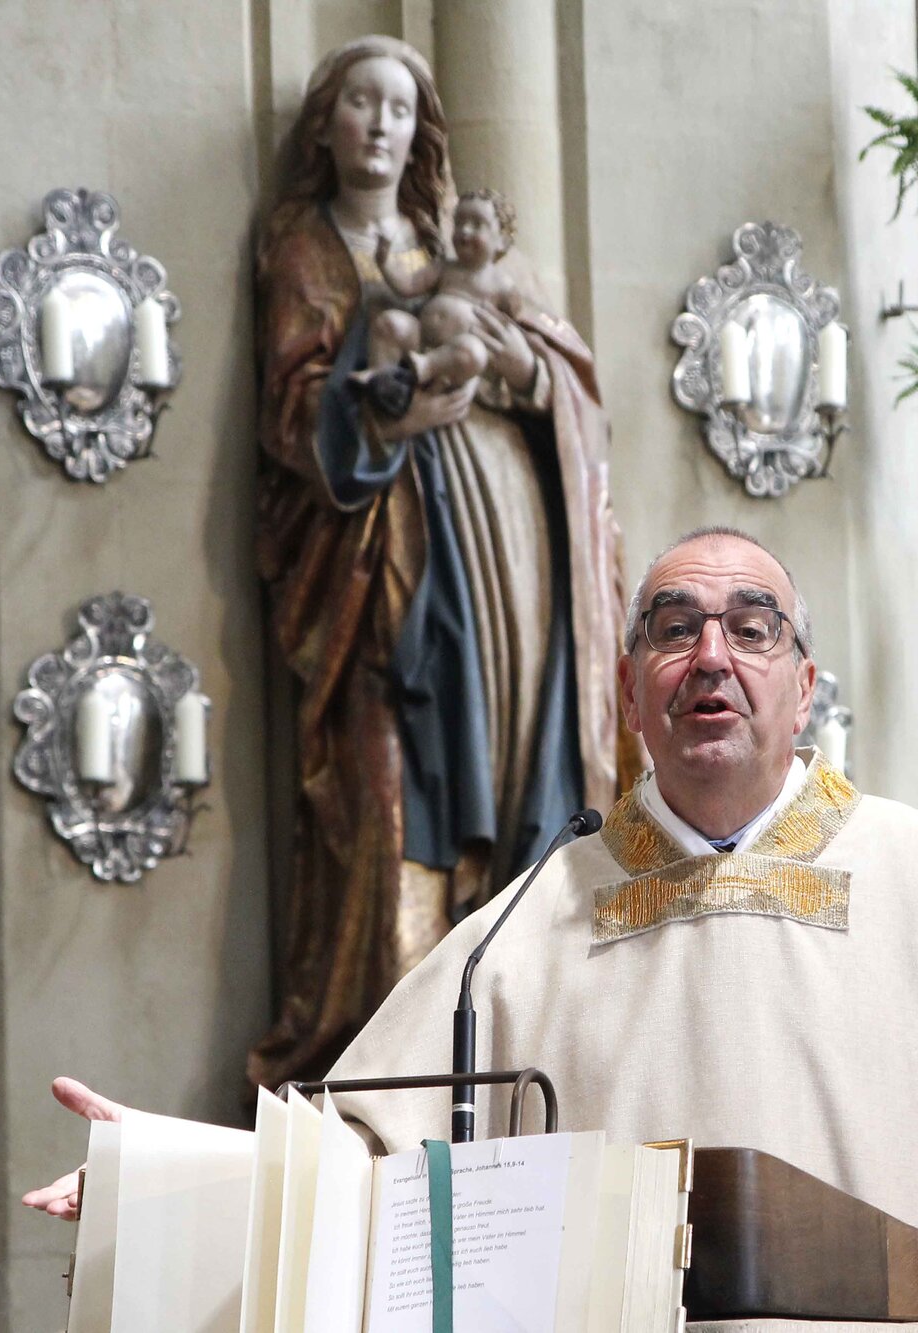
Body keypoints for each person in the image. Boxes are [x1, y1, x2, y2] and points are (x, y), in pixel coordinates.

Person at [27, 529, 918, 1331]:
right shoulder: (521, 930)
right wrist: (175, 1186)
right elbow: (362, 1160)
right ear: (634, 696)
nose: (713, 654)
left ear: (803, 683)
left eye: (750, 627)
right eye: (675, 629)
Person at [250, 38, 626, 1091]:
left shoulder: (447, 242)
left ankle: (512, 1048)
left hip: (507, 559)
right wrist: (392, 412)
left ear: (423, 136)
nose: (380, 125)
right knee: (384, 809)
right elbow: (293, 414)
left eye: (401, 110)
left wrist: (520, 371)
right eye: (360, 104)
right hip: (384, 572)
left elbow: (564, 372)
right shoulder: (302, 249)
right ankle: (378, 1070)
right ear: (324, 122)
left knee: (514, 797)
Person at [357, 188, 526, 401]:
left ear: (502, 240)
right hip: (420, 341)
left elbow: (517, 327)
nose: (464, 231)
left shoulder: (502, 286)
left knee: (474, 352)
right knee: (390, 322)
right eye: (459, 223)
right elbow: (408, 285)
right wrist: (385, 261)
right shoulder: (444, 267)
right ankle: (380, 373)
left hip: (456, 356)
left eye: (476, 224)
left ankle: (427, 367)